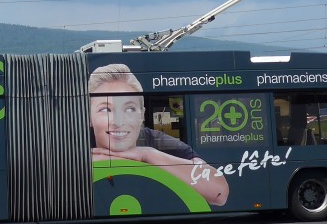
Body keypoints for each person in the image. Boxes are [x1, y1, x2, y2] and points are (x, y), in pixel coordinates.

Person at [89, 63, 229, 206]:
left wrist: (148, 155)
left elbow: (218, 193)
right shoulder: (75, 144)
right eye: (106, 109)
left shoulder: (155, 141)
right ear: (88, 116)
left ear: (142, 115)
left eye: (130, 109)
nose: (118, 122)